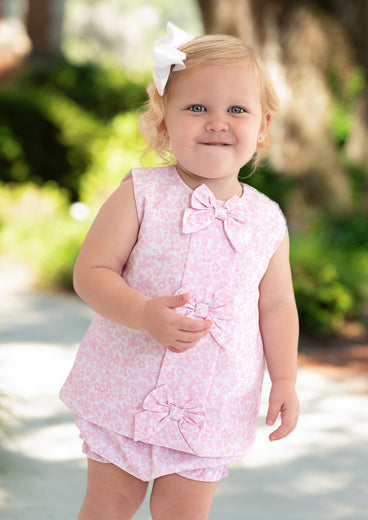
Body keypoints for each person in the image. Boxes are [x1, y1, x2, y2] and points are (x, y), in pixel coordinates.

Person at [60, 22, 299, 520]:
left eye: (237, 109)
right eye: (197, 108)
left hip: (212, 398)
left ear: (263, 126)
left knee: (184, 513)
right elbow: (93, 271)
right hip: (127, 385)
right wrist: (144, 312)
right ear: (164, 122)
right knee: (109, 504)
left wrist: (285, 379)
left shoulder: (267, 220)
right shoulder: (142, 193)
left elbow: (276, 305)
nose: (217, 122)